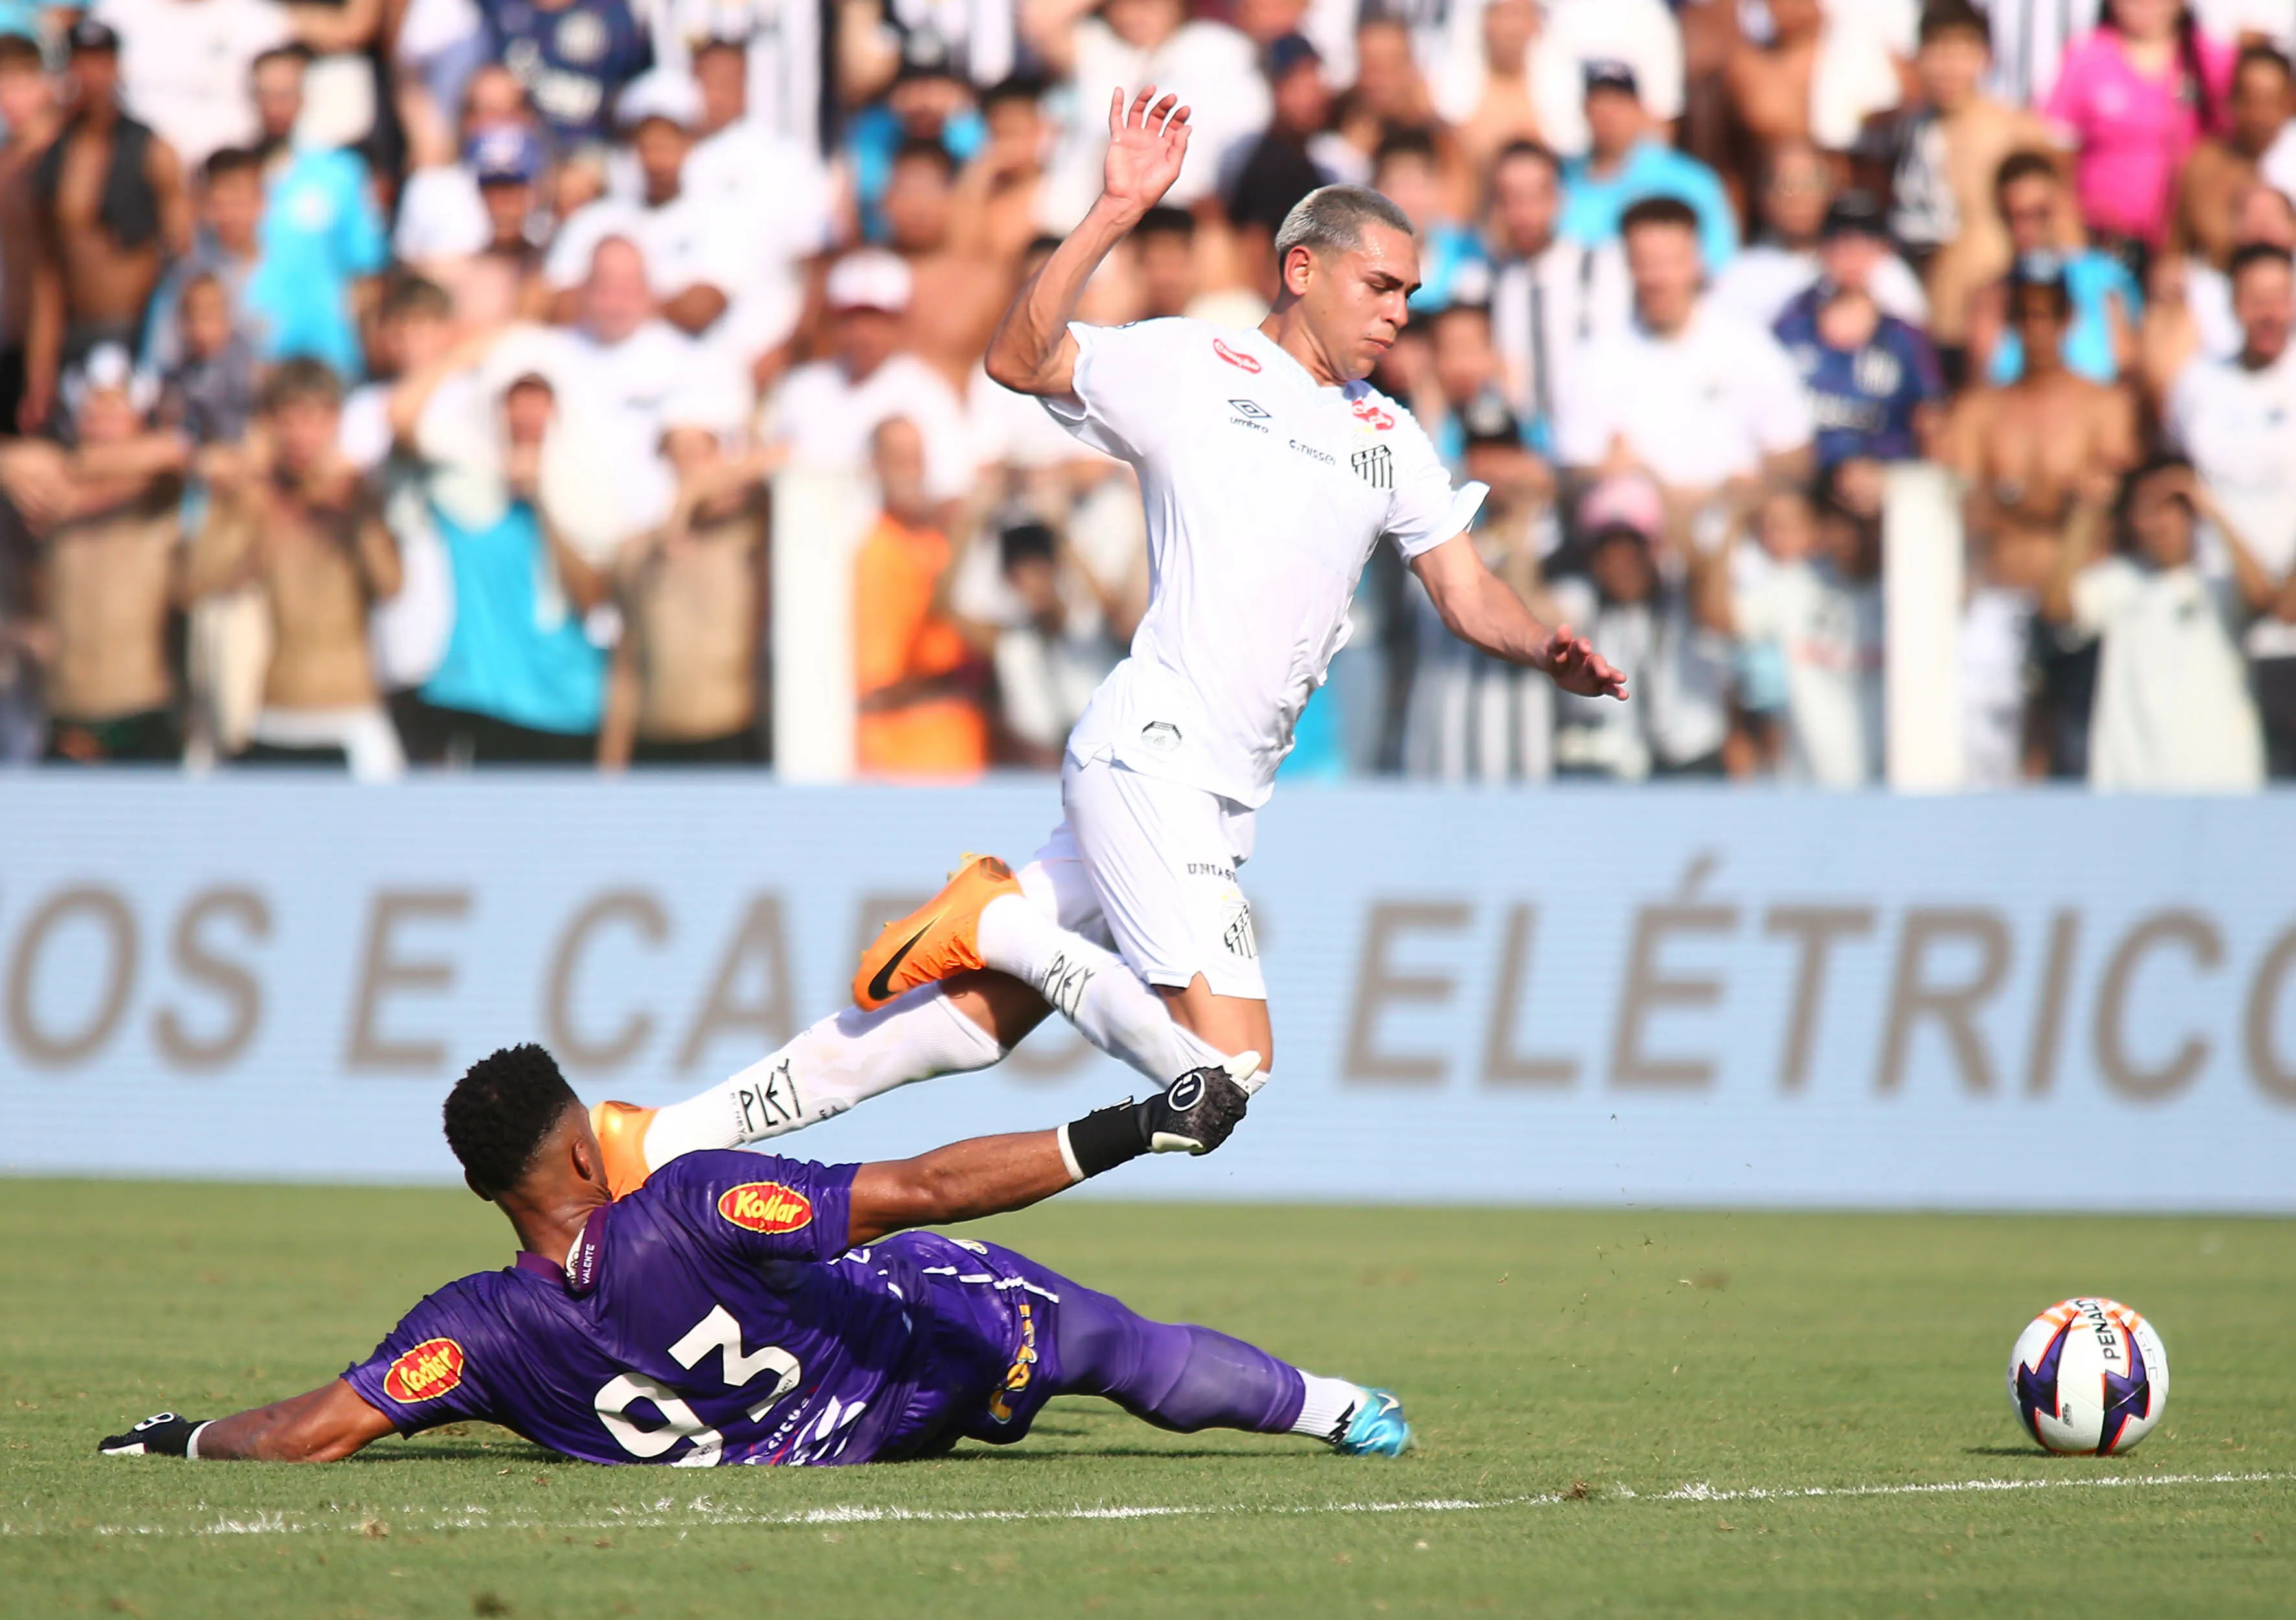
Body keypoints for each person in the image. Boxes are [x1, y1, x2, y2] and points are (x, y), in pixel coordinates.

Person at [573, 88, 1626, 1188]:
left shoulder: (1387, 435)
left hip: (1215, 789)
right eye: (1380, 286)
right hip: (1151, 759)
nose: (1399, 312)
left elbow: (1464, 592)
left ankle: (664, 1139)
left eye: (1409, 293)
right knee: (1229, 1068)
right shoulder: (1192, 368)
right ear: (1301, 270)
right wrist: (1112, 213)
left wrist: (1541, 644)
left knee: (965, 1026)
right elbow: (1019, 362)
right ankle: (1001, 922)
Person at [99, 1041, 1416, 1466]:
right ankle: (1343, 1409)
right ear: (572, 1158)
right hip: (905, 1360)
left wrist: (179, 1437)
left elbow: (301, 1430)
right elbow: (923, 1183)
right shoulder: (689, 1202)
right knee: (1099, 1343)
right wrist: (1131, 1124)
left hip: (816, 1453)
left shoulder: (475, 1333)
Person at [185, 358, 406, 777]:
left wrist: (359, 511)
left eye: (316, 420)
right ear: (269, 426)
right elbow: (199, 582)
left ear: (337, 423)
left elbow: (390, 586)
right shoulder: (255, 502)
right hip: (273, 717)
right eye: (290, 420)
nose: (303, 436)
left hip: (351, 715)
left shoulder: (359, 496)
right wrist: (238, 501)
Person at [1555, 196, 1814, 538]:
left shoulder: (1747, 345)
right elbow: (1574, 471)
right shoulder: (1598, 357)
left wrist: (1751, 488)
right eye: (1646, 263)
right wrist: (1612, 477)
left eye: (1671, 262)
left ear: (1698, 261)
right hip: (1639, 544)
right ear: (1628, 266)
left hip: (1738, 539)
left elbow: (1796, 457)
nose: (1658, 278)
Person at [0, 344, 187, 763]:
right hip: (65, 715)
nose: (102, 422)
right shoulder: (39, 490)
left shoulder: (156, 492)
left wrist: (68, 479)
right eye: (93, 410)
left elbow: (177, 452)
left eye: (114, 410)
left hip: (140, 710)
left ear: (138, 417)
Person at [2040, 455, 2269, 789]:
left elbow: (2265, 602)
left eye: (2170, 508)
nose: (2157, 524)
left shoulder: (2221, 585)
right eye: (2145, 509)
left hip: (2222, 786)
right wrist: (2087, 512)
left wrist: (2214, 510)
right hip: (2132, 786)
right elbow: (2058, 609)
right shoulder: (2118, 583)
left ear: (2192, 513)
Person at [1855, 1, 2059, 375]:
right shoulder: (1907, 130)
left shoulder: (2017, 131)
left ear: (1986, 58)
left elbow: (2058, 229)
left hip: (1996, 315)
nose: (1949, 67)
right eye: (1937, 51)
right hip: (1926, 313)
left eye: (1962, 52)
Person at [2164, 242, 2296, 772]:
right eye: (2254, 299)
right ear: (2232, 306)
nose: (2268, 313)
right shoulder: (2197, 383)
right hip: (2214, 616)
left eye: (2280, 297)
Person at [21, 17, 189, 434]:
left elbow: (184, 259)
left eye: (100, 63)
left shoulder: (154, 151)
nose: (91, 76)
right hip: (75, 336)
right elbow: (48, 274)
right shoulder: (53, 157)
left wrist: (168, 357)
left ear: (118, 68)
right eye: (81, 63)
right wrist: (39, 372)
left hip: (137, 337)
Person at [598, 388, 774, 768]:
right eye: (678, 455)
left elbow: (795, 458)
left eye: (699, 453)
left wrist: (697, 492)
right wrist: (610, 765)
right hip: (655, 741)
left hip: (729, 737)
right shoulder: (638, 552)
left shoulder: (752, 543)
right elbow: (627, 666)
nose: (689, 468)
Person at [1697, 477, 1884, 787]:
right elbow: (1717, 616)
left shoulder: (1908, 589)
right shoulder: (1796, 583)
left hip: (1896, 788)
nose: (1848, 536)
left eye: (1859, 523)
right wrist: (1735, 525)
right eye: (1837, 523)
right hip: (1810, 789)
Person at [853, 415, 988, 779]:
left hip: (958, 755)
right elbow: (877, 691)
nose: (912, 472)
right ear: (874, 467)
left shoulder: (936, 542)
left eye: (917, 458)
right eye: (899, 459)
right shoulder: (875, 552)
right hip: (899, 762)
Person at [1772, 191, 1947, 472]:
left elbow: (1930, 419)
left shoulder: (1905, 339)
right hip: (1806, 479)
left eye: (1865, 241)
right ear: (1823, 247)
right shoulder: (1790, 329)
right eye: (1841, 240)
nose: (1852, 254)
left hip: (1884, 479)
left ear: (1882, 250)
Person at [2046, 0, 2234, 255]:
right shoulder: (2086, 56)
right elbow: (2056, 153)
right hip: (2103, 241)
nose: (2145, 5)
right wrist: (2071, 236)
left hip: (2188, 244)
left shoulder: (2213, 58)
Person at [1481, 138, 1629, 454]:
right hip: (1525, 454)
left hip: (1598, 448)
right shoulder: (1492, 281)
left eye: (1534, 196)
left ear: (1559, 198)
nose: (1523, 212)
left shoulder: (1602, 267)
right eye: (1509, 198)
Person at [1712, 138, 1929, 330]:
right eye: (1785, 185)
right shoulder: (1742, 275)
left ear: (1832, 188)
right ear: (1763, 196)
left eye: (1810, 183)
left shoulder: (1877, 268)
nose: (1798, 197)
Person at [1970, 151, 2141, 384]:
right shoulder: (1992, 299)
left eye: (2040, 214)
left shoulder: (2104, 282)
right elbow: (1981, 388)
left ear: (2060, 207)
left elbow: (2127, 372)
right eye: (2016, 216)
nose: (2027, 228)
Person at [1557, 60, 1735, 275]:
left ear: (1640, 109)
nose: (1608, 115)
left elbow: (1719, 262)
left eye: (1618, 103)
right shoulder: (1559, 180)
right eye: (1599, 103)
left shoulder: (1689, 180)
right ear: (1585, 110)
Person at [2170, 42, 2291, 264]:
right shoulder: (2203, 167)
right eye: (2251, 100)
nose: (2261, 115)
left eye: (2273, 100)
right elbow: (2175, 253)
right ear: (2232, 102)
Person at [0, 32, 60, 431]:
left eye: (21, 80)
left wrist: (42, 370)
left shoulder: (60, 154)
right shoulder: (11, 157)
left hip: (50, 344)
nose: (10, 96)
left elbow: (50, 273)